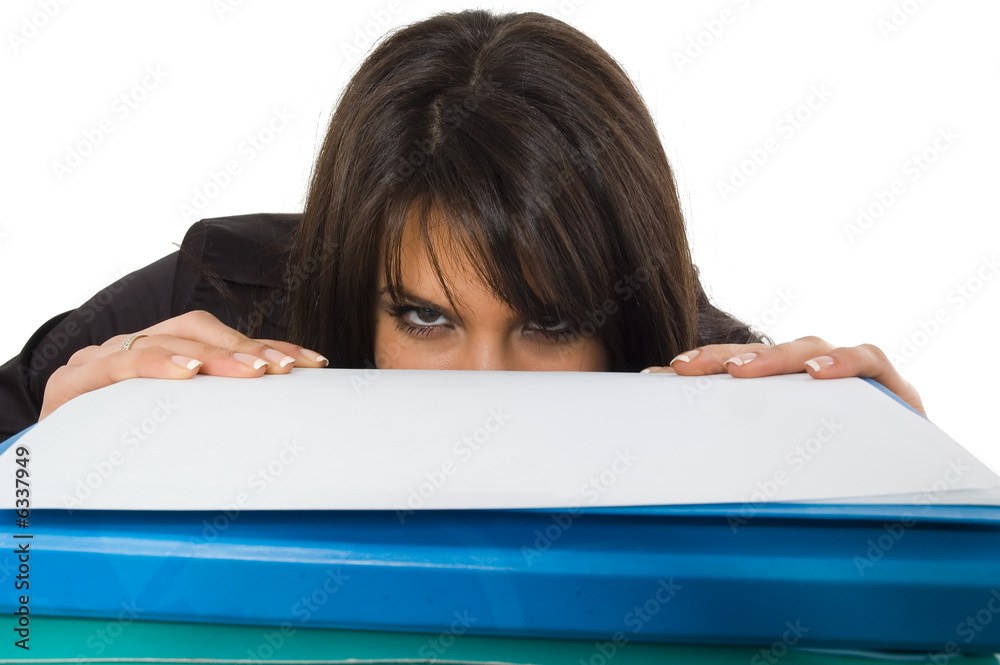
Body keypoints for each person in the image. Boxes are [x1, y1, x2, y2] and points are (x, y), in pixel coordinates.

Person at [0, 9, 924, 443]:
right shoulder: (211, 307)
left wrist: (909, 497)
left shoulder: (723, 395)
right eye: (425, 317)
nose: (486, 393)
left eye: (551, 323)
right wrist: (33, 481)